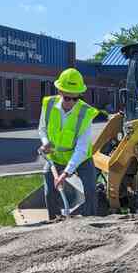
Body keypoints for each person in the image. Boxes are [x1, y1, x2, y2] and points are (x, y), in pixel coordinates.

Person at [38, 68, 99, 219]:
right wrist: (46, 143)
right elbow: (42, 128)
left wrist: (66, 173)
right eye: (67, 98)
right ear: (59, 91)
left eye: (75, 98)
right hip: (56, 157)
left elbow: (82, 148)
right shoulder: (49, 105)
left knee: (91, 190)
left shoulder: (85, 113)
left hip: (81, 158)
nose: (71, 102)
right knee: (49, 190)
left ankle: (91, 221)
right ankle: (55, 221)